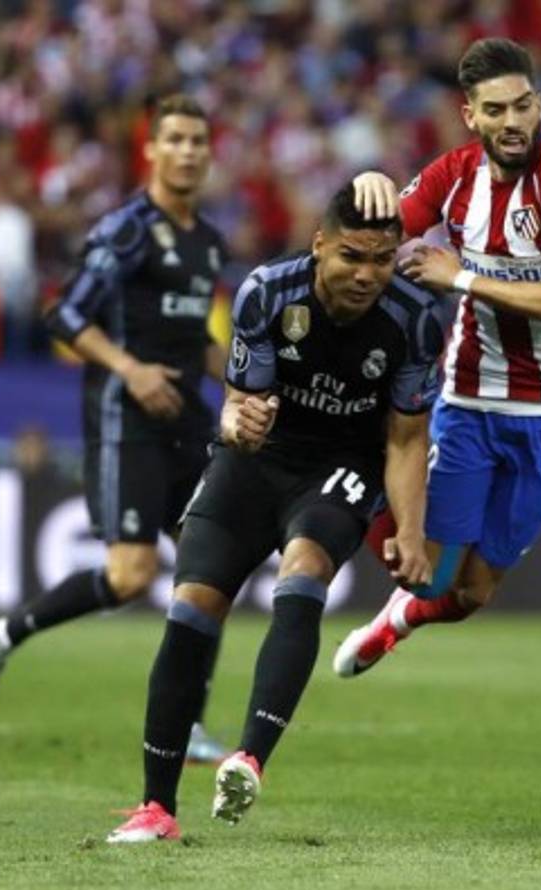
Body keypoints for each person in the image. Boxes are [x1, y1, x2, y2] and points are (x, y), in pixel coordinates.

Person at [106, 183, 452, 843]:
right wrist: (239, 422)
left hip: (342, 467)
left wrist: (409, 531)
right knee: (191, 609)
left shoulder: (413, 318)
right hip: (258, 461)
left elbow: (407, 437)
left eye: (382, 259)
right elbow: (241, 407)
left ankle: (249, 757)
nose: (366, 274)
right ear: (320, 244)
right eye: (352, 255)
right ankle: (155, 809)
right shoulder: (267, 292)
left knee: (304, 572)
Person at [332, 37, 541, 678]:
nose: (512, 122)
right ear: (472, 116)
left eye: (522, 107)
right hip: (470, 398)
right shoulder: (451, 175)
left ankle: (393, 621)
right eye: (496, 111)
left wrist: (460, 277)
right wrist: (369, 194)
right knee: (430, 575)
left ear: (539, 105)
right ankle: (363, 523)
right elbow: (368, 238)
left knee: (470, 595)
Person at [0, 94, 229, 763]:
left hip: (189, 418)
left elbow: (199, 340)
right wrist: (131, 370)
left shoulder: (208, 242)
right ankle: (1, 634)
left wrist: (248, 389)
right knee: (132, 574)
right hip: (125, 414)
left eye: (199, 140)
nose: (190, 150)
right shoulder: (127, 229)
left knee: (215, 562)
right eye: (177, 140)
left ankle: (186, 719)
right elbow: (65, 314)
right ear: (152, 150)